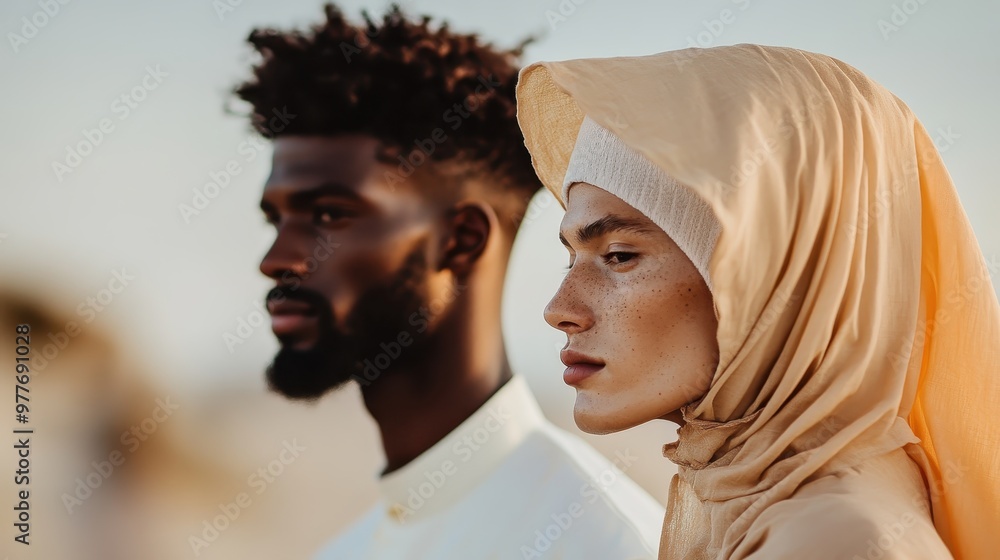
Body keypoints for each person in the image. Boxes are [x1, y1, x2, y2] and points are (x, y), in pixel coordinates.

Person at [515, 44, 1000, 559]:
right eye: (572, 258)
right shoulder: (767, 503)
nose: (560, 308)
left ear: (778, 275)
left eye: (617, 256)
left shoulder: (827, 539)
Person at [234, 4, 663, 559]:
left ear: (461, 241)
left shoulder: (600, 542)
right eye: (277, 219)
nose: (277, 259)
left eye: (329, 216)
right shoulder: (346, 549)